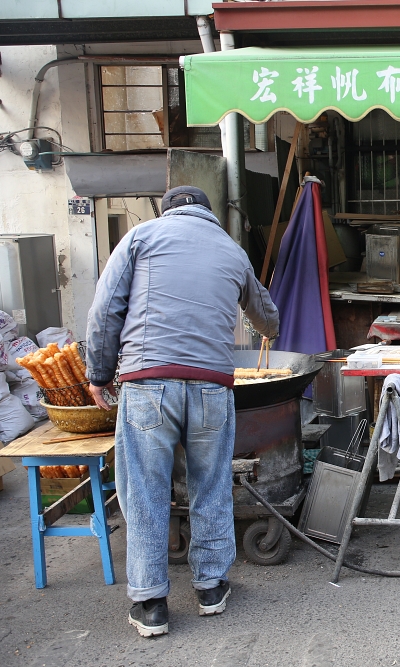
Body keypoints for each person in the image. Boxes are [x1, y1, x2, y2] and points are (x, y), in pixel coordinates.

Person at [86, 186, 279, 638]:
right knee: (210, 484)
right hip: (212, 388)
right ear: (208, 215)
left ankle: (151, 603)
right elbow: (268, 318)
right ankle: (211, 588)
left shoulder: (140, 237)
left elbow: (105, 310)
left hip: (148, 383)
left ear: (167, 211)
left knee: (145, 491)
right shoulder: (232, 250)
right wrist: (258, 323)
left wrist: (98, 374)